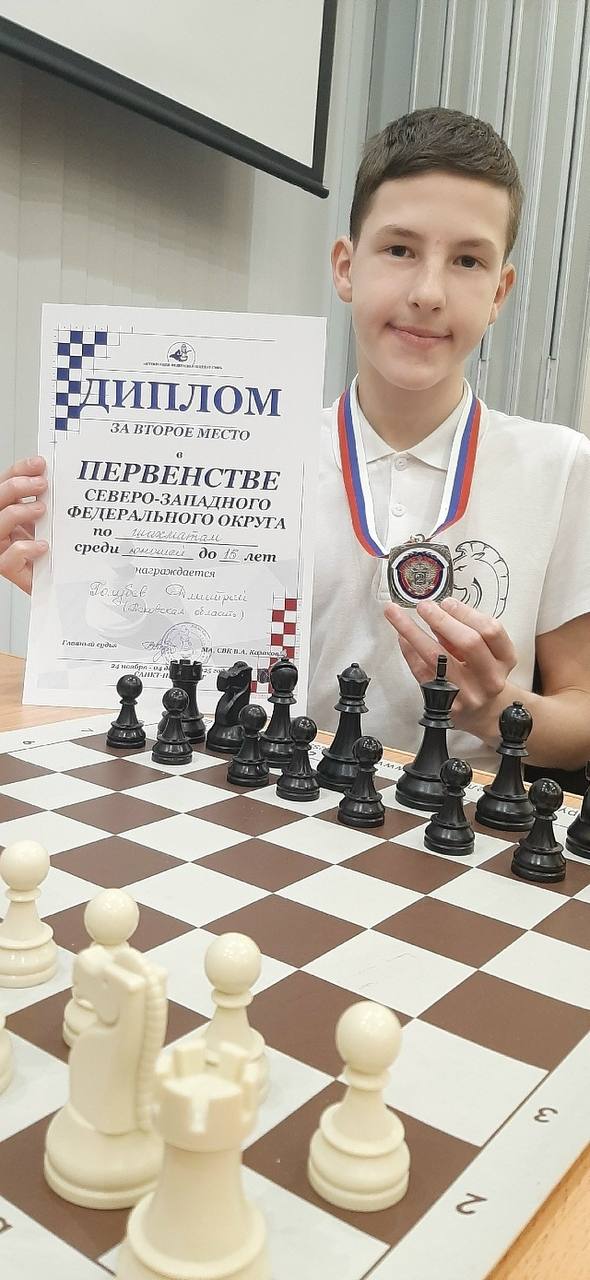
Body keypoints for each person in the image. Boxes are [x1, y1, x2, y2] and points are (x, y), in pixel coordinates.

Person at [1, 107, 590, 774]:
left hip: (460, 817)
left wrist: (495, 710)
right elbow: (187, 676)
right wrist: (78, 596)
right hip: (271, 800)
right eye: (400, 250)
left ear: (500, 292)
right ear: (345, 267)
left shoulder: (559, 469)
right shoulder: (250, 453)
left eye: (467, 260)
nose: (429, 292)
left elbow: (581, 719)